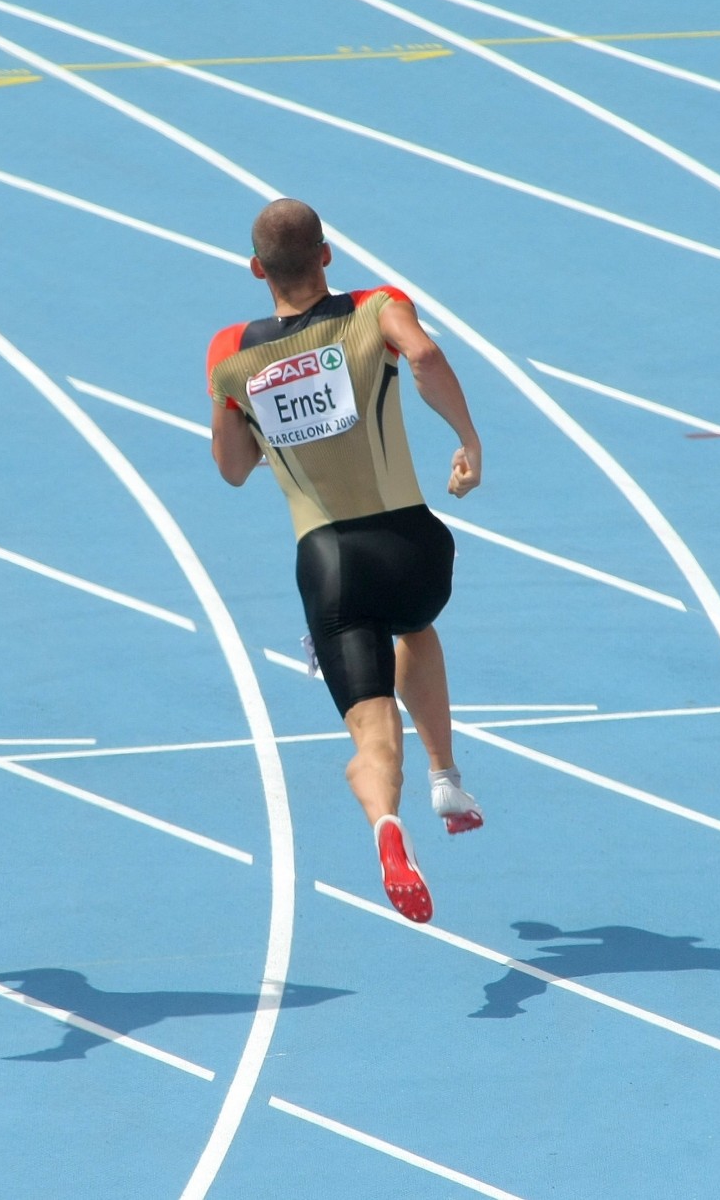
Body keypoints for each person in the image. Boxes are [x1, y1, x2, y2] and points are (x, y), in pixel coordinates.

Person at [207, 199, 485, 922]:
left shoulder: (232, 354)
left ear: (256, 269)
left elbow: (231, 469)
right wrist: (468, 439)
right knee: (415, 629)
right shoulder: (376, 306)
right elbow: (422, 355)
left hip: (329, 559)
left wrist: (250, 410)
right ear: (326, 255)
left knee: (369, 730)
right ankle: (446, 774)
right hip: (414, 545)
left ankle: (388, 829)